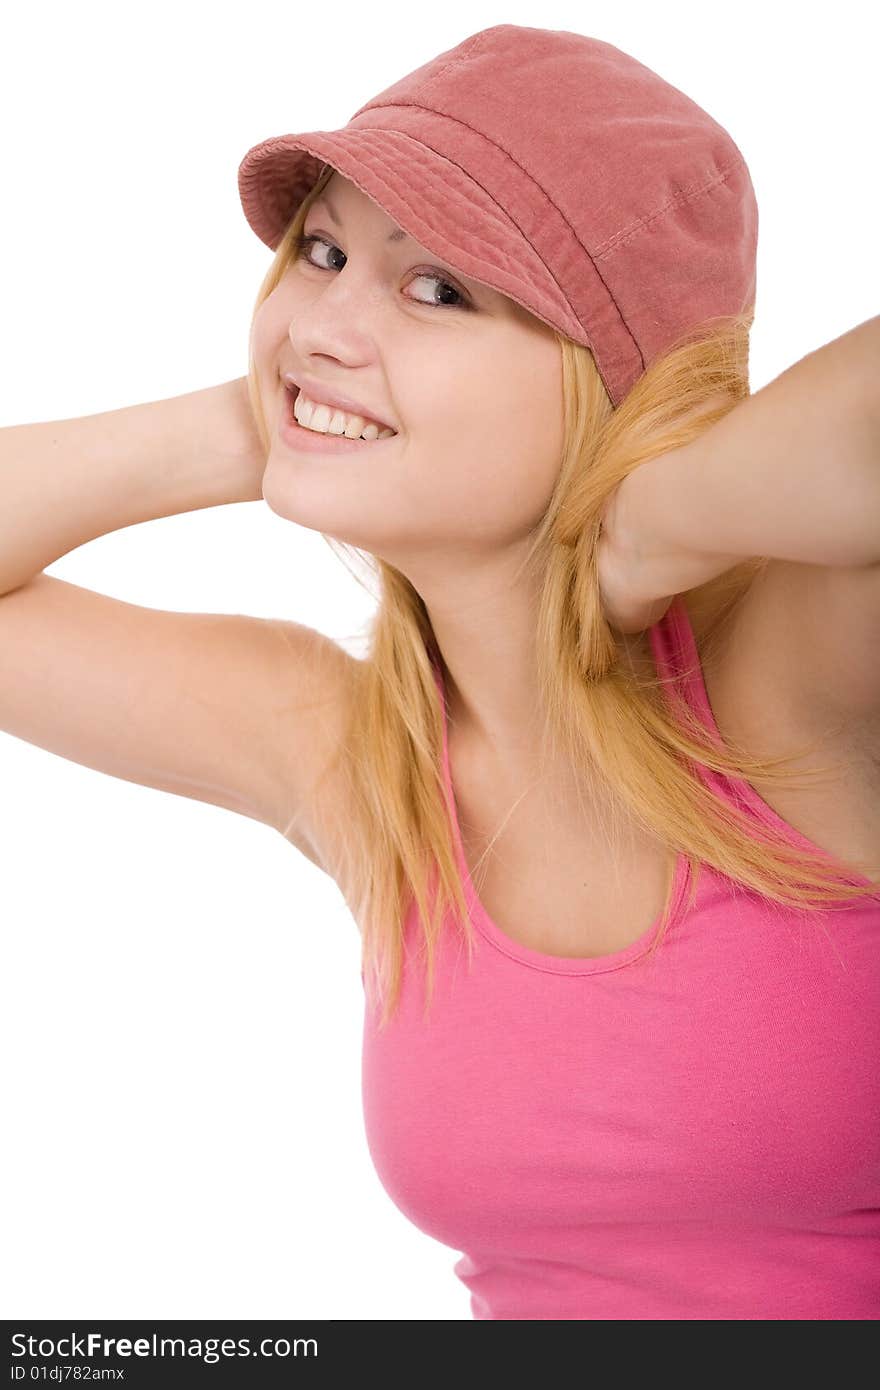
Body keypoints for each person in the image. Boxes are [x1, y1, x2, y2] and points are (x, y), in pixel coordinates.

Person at [2, 24, 878, 1320]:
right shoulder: (357, 762)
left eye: (439, 289)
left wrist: (665, 510)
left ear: (616, 390)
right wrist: (253, 418)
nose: (329, 318)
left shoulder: (784, 693)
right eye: (323, 250)